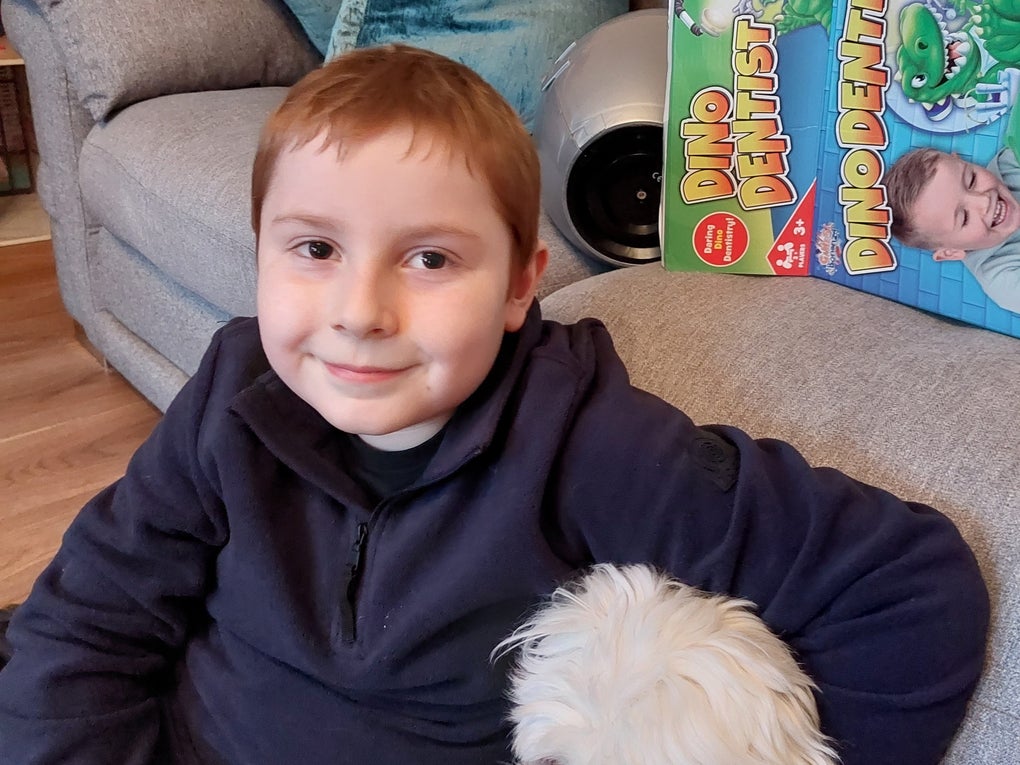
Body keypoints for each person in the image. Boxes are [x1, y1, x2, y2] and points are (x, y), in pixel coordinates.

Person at [0, 44, 988, 765]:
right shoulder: (235, 388)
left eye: (430, 259)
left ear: (521, 285)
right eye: (314, 249)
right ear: (258, 256)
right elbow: (92, 611)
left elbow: (908, 586)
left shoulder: (594, 445)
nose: (359, 312)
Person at [886, 144, 1020, 313]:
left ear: (959, 160)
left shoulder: (1008, 163)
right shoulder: (1004, 281)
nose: (985, 201)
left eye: (972, 180)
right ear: (950, 252)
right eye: (965, 218)